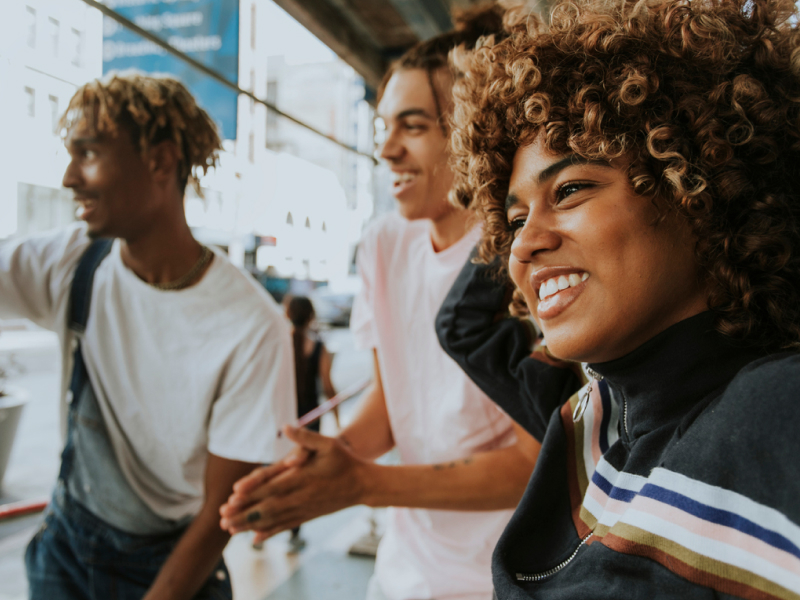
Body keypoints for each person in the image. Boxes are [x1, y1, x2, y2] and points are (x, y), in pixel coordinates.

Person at [437, 0, 800, 597]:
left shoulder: (776, 414)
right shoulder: (589, 420)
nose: (524, 245)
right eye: (514, 217)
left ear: (701, 188)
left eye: (572, 189)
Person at [219, 6, 545, 600]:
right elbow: (390, 407)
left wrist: (362, 485)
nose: (388, 150)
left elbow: (534, 462)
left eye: (414, 125)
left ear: (474, 130)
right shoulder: (383, 242)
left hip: (499, 578)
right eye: (383, 128)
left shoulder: (521, 253)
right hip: (402, 573)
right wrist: (317, 470)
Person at [0, 73, 295, 600]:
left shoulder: (252, 326)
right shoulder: (72, 262)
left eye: (88, 153)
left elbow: (218, 516)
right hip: (64, 550)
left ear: (160, 161)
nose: (69, 177)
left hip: (173, 566)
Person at [284, 294, 338, 552]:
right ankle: (294, 533)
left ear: (287, 314)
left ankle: (258, 527)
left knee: (274, 471)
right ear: (311, 316)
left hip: (282, 419)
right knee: (299, 474)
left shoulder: (278, 344)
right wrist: (337, 421)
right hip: (310, 421)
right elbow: (328, 387)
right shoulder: (318, 346)